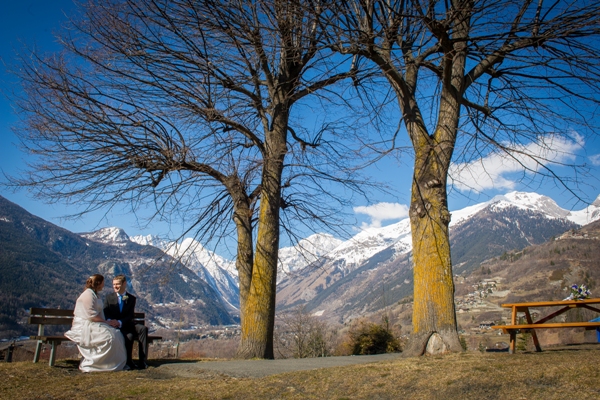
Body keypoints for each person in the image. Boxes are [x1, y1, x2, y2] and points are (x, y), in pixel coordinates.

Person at [64, 274, 127, 372]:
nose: (103, 285)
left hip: (94, 322)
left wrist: (107, 322)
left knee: (116, 334)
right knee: (110, 336)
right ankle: (98, 363)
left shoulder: (95, 294)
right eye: (102, 282)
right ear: (98, 283)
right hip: (86, 324)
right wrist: (106, 322)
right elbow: (91, 315)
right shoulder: (88, 295)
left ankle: (109, 362)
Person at [103, 274, 148, 369]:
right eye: (114, 284)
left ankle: (142, 361)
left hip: (126, 323)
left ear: (124, 284)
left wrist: (120, 321)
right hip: (114, 326)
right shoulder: (108, 297)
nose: (115, 286)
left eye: (118, 284)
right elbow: (105, 312)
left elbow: (130, 315)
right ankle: (128, 361)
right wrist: (112, 321)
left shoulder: (131, 298)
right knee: (129, 336)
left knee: (143, 329)